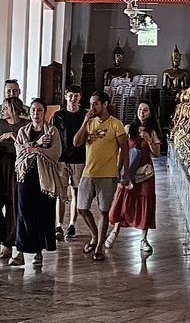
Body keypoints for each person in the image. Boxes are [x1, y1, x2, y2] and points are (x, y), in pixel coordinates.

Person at [72, 91, 129, 261]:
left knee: (104, 211)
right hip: (88, 173)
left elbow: (125, 149)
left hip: (107, 174)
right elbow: (76, 142)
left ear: (105, 104)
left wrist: (125, 172)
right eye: (91, 104)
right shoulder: (89, 123)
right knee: (82, 208)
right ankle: (96, 236)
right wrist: (85, 122)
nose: (92, 107)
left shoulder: (116, 124)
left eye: (96, 103)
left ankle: (99, 247)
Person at [14, 99, 67, 264]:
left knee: (43, 214)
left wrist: (36, 150)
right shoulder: (23, 131)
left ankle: (39, 251)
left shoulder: (52, 132)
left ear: (45, 113)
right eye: (33, 110)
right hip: (26, 176)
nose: (35, 114)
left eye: (39, 111)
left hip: (45, 177)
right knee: (24, 213)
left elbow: (55, 153)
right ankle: (20, 252)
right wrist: (36, 144)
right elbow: (20, 151)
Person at [107, 100, 160, 255]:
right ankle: (115, 231)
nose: (142, 113)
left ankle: (143, 239)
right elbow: (121, 151)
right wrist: (118, 171)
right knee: (123, 199)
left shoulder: (152, 131)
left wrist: (149, 140)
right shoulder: (129, 128)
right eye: (140, 110)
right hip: (129, 170)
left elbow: (156, 153)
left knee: (145, 202)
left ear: (150, 113)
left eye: (145, 110)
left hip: (145, 173)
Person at [0, 97, 27, 262]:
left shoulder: (25, 125)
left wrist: (12, 134)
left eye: (5, 108)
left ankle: (9, 243)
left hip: (16, 162)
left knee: (13, 202)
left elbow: (26, 145)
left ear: (14, 109)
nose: (2, 111)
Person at [50, 85, 87, 241]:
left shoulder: (85, 115)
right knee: (61, 194)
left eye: (76, 96)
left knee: (76, 193)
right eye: (70, 95)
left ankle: (72, 224)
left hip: (79, 159)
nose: (73, 98)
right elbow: (51, 136)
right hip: (61, 159)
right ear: (65, 97)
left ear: (80, 97)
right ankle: (59, 225)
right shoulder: (58, 115)